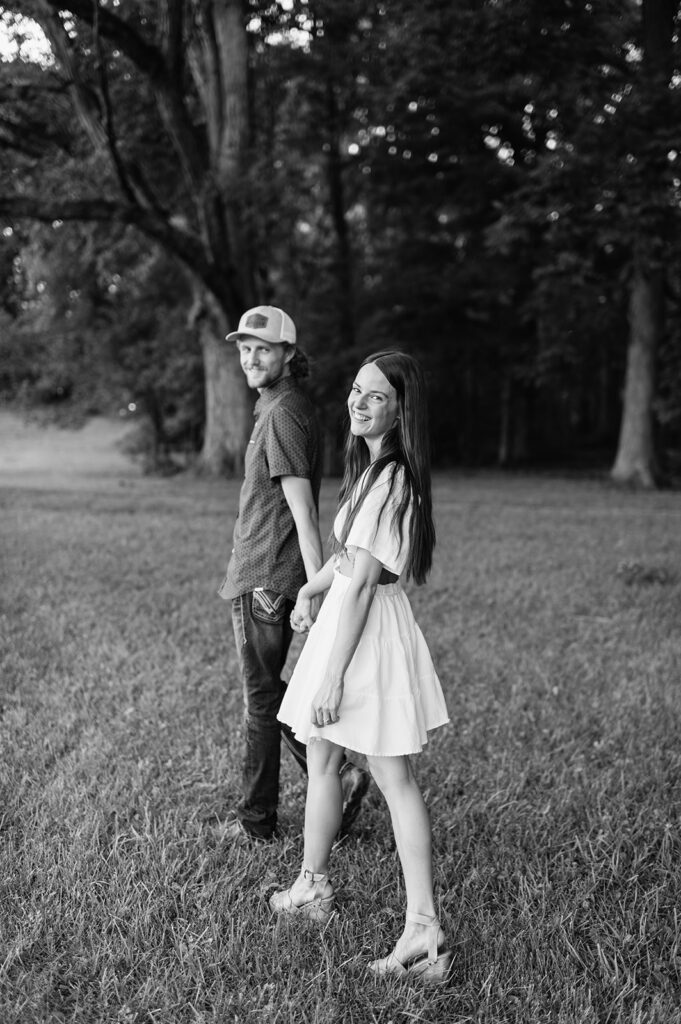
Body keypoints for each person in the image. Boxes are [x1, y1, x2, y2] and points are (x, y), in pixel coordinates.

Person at [269, 350, 452, 984]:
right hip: (346, 618)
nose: (359, 402)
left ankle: (424, 932)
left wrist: (335, 676)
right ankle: (312, 886)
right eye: (355, 391)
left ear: (401, 410)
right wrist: (308, 590)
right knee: (321, 757)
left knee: (392, 776)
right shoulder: (371, 472)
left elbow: (368, 585)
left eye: (375, 396)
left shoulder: (395, 478)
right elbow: (347, 561)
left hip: (365, 640)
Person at [217, 305, 369, 845]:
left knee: (260, 701)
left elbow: (304, 513)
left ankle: (256, 823)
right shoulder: (284, 407)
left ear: (287, 354)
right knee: (270, 694)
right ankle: (341, 775)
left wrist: (315, 591)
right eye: (243, 348)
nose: (250, 358)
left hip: (267, 578)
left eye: (262, 348)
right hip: (267, 573)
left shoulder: (282, 414)